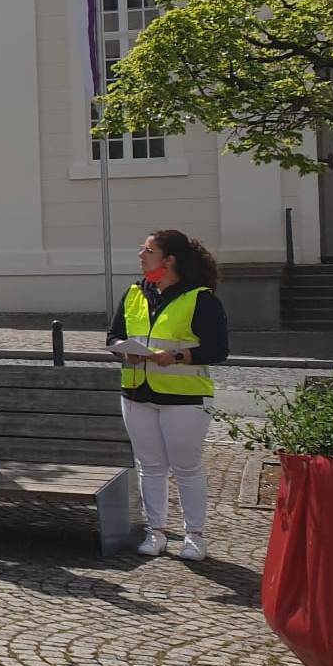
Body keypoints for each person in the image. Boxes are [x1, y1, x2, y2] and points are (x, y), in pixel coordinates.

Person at [109, 230, 227, 562]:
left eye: (148, 250)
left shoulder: (199, 297)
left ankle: (195, 536)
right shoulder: (135, 292)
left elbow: (218, 349)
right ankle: (156, 532)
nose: (140, 254)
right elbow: (114, 335)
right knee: (149, 466)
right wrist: (123, 352)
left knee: (186, 467)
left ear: (169, 260)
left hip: (184, 397)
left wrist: (175, 357)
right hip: (136, 391)